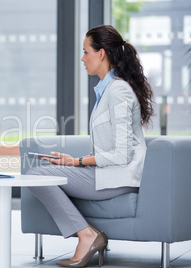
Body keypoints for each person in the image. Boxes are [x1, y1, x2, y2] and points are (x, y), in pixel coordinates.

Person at [26, 25, 154, 267]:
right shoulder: (108, 90)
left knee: (35, 174)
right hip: (107, 173)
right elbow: (112, 149)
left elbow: (121, 154)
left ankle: (87, 235)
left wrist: (78, 162)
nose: (82, 59)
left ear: (102, 53)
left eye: (86, 52)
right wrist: (73, 162)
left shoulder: (118, 92)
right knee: (39, 171)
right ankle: (87, 234)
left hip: (118, 177)